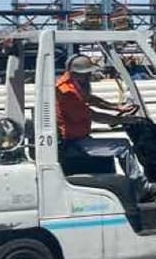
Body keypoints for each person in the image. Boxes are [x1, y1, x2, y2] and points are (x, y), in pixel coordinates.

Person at [55, 54, 149, 190]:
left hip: (79, 138)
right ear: (75, 73)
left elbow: (90, 99)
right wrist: (124, 119)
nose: (89, 77)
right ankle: (141, 186)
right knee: (124, 147)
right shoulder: (66, 93)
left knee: (118, 146)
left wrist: (116, 107)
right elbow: (94, 116)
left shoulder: (73, 85)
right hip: (75, 143)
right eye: (86, 74)